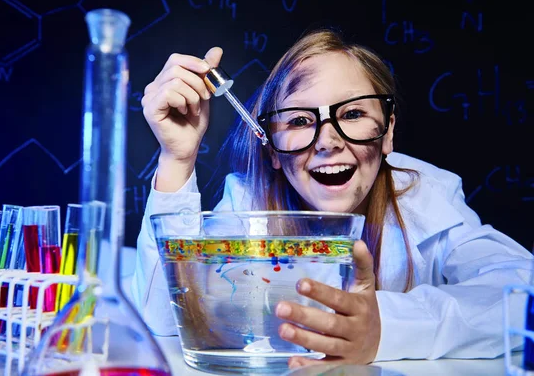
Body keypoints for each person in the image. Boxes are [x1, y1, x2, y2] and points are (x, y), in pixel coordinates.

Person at [132, 28, 533, 368]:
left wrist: (384, 326)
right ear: (270, 145)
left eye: (353, 114)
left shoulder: (424, 196)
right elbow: (167, 321)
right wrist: (177, 157)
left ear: (388, 130)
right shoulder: (249, 204)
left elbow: (523, 293)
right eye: (301, 120)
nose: (327, 142)